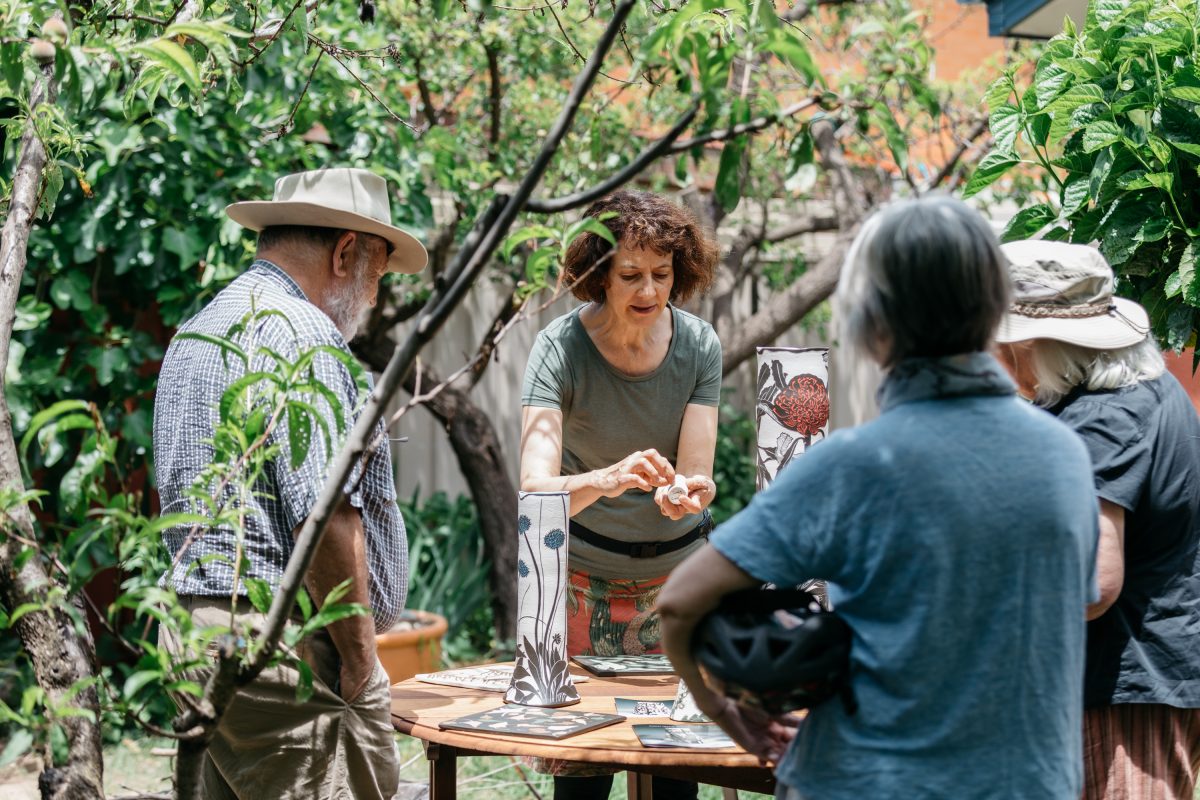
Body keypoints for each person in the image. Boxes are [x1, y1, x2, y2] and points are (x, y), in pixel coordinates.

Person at [658, 196, 1100, 799]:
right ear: (997, 305)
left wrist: (720, 708)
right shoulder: (1067, 457)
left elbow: (680, 603)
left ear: (871, 320)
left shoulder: (855, 465)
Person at [153, 167, 427, 799]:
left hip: (197, 637)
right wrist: (362, 665)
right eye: (379, 276)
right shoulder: (306, 335)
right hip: (281, 646)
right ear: (345, 252)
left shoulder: (199, 327)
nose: (376, 298)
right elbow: (325, 518)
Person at [519, 190, 721, 800]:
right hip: (581, 588)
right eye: (630, 275)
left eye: (662, 275)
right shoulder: (558, 350)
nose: (648, 291)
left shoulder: (699, 345)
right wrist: (606, 479)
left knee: (673, 776)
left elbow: (696, 471)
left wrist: (687, 493)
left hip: (676, 590)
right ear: (597, 275)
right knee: (583, 777)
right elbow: (534, 490)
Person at [994, 240, 1200, 800]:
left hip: (1124, 687)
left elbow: (1090, 585)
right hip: (1124, 681)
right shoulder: (1133, 391)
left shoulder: (1105, 420)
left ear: (1033, 345)